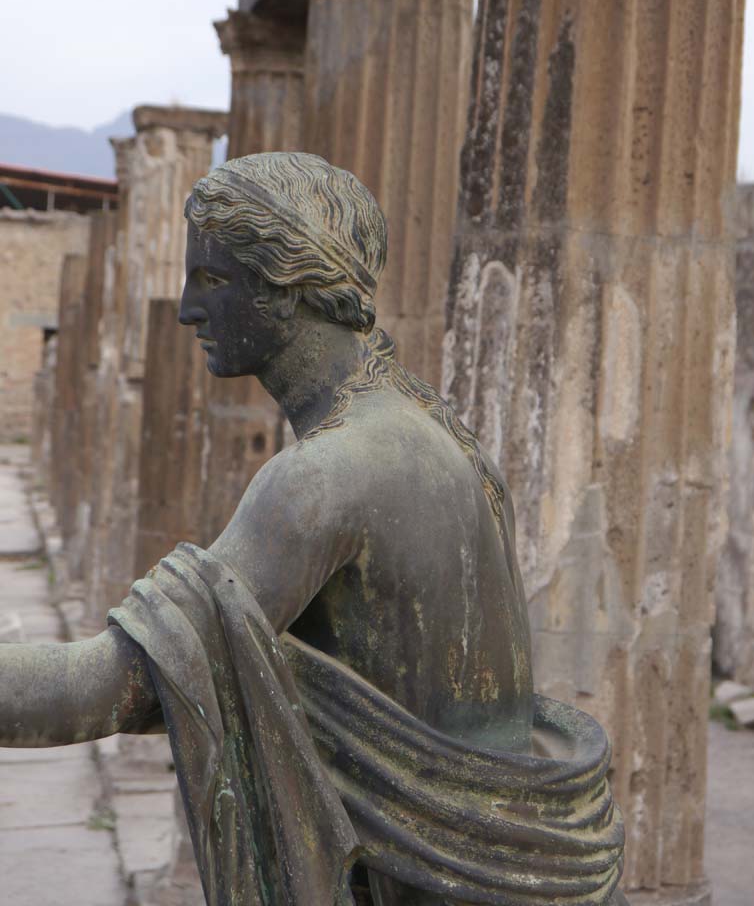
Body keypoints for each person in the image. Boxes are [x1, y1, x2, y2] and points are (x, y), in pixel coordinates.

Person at [0, 153, 624, 906]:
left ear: (289, 285)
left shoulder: (323, 480)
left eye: (214, 280)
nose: (186, 311)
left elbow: (115, 687)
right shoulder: (432, 426)